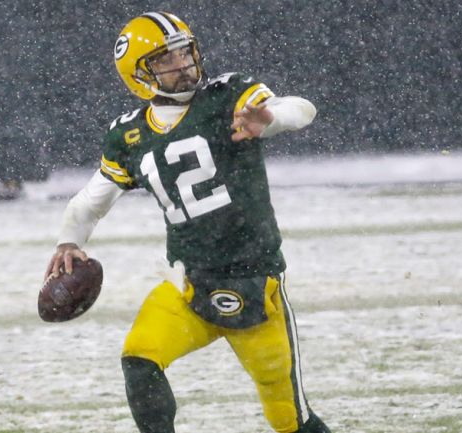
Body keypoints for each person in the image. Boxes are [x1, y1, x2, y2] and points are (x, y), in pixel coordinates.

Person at [45, 11, 330, 433]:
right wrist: (68, 241)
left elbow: (301, 108)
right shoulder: (129, 135)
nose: (182, 65)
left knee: (289, 418)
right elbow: (92, 199)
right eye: (165, 59)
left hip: (256, 285)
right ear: (138, 75)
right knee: (140, 358)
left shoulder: (226, 95)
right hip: (187, 282)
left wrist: (269, 118)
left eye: (184, 52)